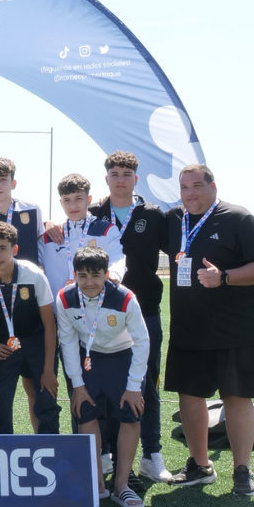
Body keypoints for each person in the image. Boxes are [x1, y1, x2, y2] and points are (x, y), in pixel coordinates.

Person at [163, 164, 254, 497]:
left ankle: (242, 470)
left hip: (238, 329)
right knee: (189, 395)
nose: (190, 193)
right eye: (184, 187)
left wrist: (224, 277)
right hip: (190, 327)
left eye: (197, 185)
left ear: (213, 187)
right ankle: (200, 466)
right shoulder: (174, 220)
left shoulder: (239, 218)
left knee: (237, 397)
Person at [88, 151, 173, 488]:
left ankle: (152, 455)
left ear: (136, 179)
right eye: (115, 174)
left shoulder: (152, 214)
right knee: (105, 384)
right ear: (106, 178)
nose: (120, 179)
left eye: (126, 174)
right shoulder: (94, 214)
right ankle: (107, 453)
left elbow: (179, 250)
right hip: (101, 312)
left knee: (146, 383)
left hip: (145, 309)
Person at [55, 245, 149, 507]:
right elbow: (67, 342)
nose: (89, 282)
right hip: (89, 361)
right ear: (74, 275)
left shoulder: (125, 298)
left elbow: (142, 341)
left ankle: (121, 485)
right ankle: (96, 483)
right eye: (82, 276)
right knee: (85, 413)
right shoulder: (64, 298)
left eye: (95, 275)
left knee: (130, 415)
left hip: (122, 359)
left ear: (107, 274)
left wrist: (134, 386)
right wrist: (77, 384)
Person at [0, 221, 60, 435]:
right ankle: (2, 449)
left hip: (38, 342)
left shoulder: (34, 275)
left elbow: (50, 324)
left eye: (2, 248)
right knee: (0, 401)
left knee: (46, 398)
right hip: (5, 345)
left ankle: (49, 446)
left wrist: (48, 370)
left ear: (15, 249)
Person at [40, 173, 125, 298]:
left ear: (89, 200)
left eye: (78, 198)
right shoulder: (49, 235)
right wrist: (45, 224)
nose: (73, 206)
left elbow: (117, 259)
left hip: (95, 308)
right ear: (61, 203)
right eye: (67, 200)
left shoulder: (106, 230)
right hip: (56, 309)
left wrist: (114, 274)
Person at [0, 157, 44, 252]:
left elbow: (43, 246)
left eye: (3, 180)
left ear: (13, 184)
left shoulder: (32, 210)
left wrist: (51, 224)